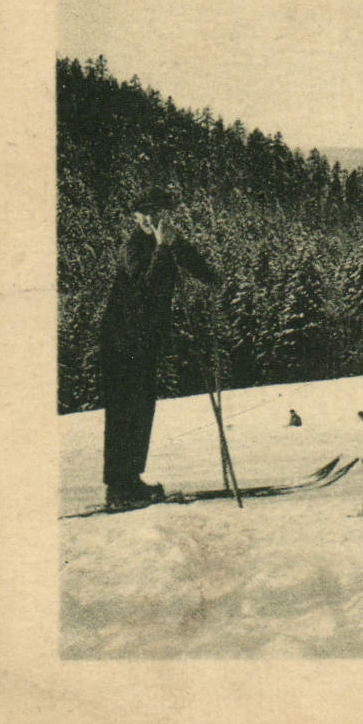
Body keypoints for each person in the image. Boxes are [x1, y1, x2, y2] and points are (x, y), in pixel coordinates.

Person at [97, 188, 221, 510]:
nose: (154, 219)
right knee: (126, 410)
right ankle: (120, 488)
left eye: (160, 213)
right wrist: (165, 249)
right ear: (137, 217)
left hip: (143, 341)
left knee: (141, 408)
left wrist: (213, 279)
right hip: (122, 341)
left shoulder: (161, 241)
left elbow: (190, 260)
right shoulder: (135, 247)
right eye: (147, 214)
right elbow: (146, 285)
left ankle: (129, 482)